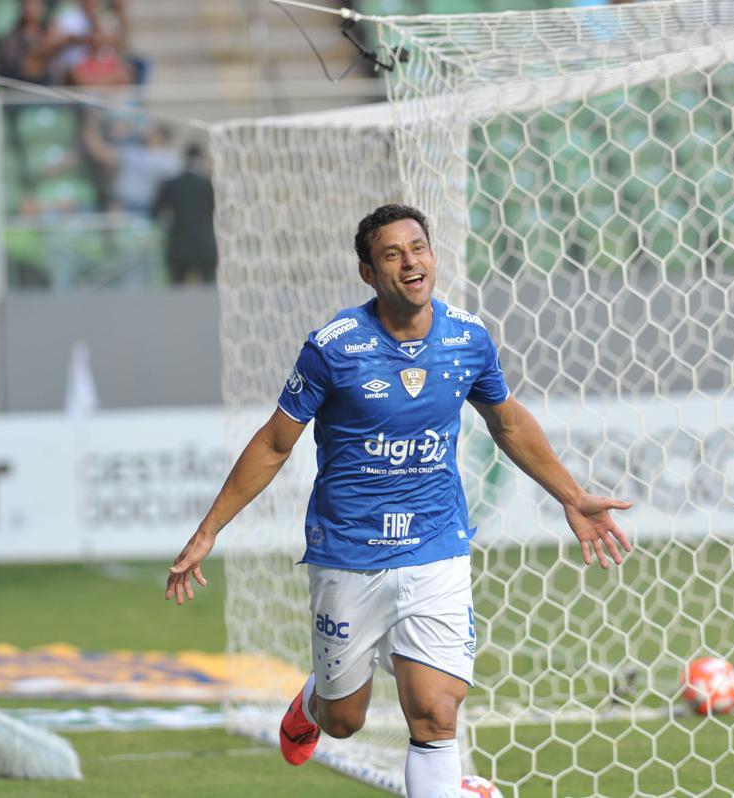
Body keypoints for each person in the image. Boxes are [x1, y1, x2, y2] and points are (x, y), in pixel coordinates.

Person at [165, 204, 633, 797]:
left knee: (436, 715)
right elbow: (276, 443)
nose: (411, 262)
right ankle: (314, 701)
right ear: (368, 273)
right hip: (349, 554)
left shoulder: (467, 339)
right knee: (346, 719)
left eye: (419, 248)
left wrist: (572, 497)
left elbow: (508, 424)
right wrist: (210, 530)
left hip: (436, 547)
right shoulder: (334, 347)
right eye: (392, 254)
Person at [152, 143, 217, 284]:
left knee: (177, 294)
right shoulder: (209, 185)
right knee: (208, 294)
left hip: (178, 245)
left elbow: (155, 212)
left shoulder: (172, 184)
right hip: (205, 246)